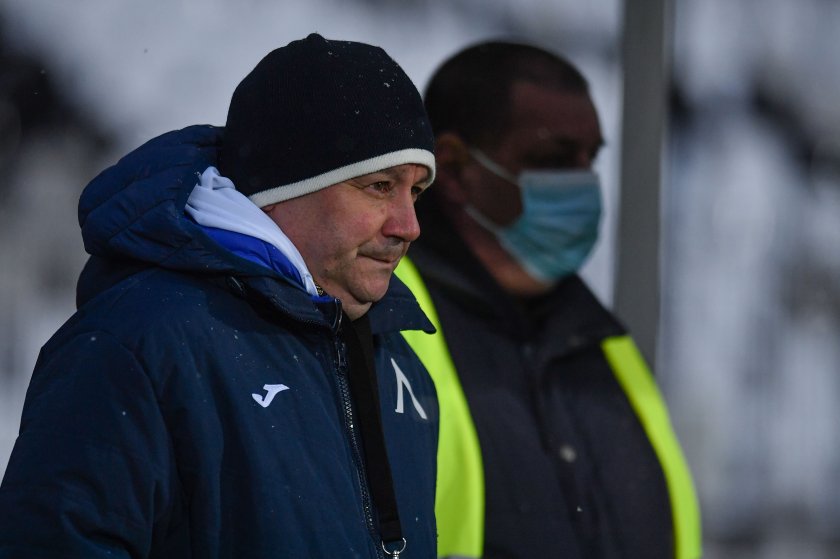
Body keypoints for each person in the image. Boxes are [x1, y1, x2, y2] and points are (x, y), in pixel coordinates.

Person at [0, 33, 440, 558]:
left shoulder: (398, 363)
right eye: (380, 186)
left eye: (416, 191)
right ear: (285, 188)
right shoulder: (137, 345)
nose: (409, 225)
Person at [395, 40, 702, 559]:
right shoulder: (386, 318)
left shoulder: (601, 338)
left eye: (590, 158)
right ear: (456, 167)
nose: (583, 182)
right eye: (553, 159)